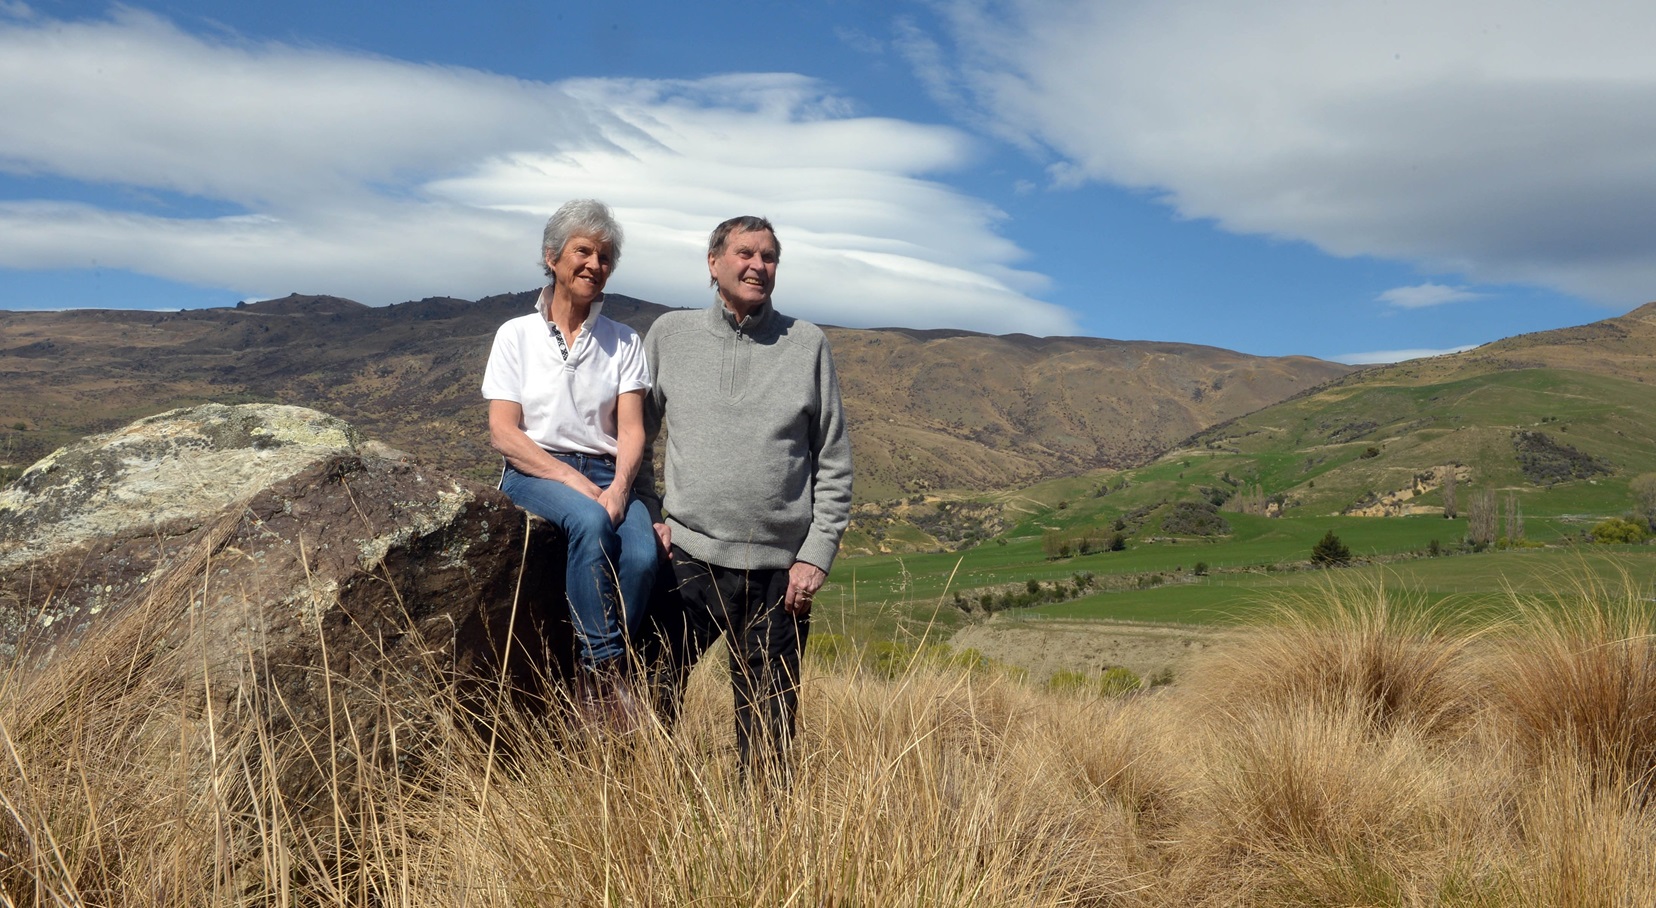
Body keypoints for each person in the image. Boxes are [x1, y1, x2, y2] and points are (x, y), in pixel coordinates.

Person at [641, 215, 853, 775]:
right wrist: (648, 514)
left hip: (779, 572)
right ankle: (650, 809)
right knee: (653, 692)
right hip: (687, 555)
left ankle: (762, 826)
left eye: (769, 256)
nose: (758, 265)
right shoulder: (670, 335)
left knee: (768, 729)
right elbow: (635, 437)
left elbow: (833, 461)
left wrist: (816, 554)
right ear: (713, 263)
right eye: (745, 253)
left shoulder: (806, 344)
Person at [481, 199, 658, 723]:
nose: (594, 265)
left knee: (642, 556)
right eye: (583, 251)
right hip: (534, 470)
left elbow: (631, 429)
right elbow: (503, 432)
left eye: (605, 257)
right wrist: (568, 479)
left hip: (607, 472)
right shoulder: (515, 334)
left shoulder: (624, 340)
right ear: (552, 256)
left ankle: (593, 668)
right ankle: (604, 678)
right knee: (590, 522)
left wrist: (620, 489)